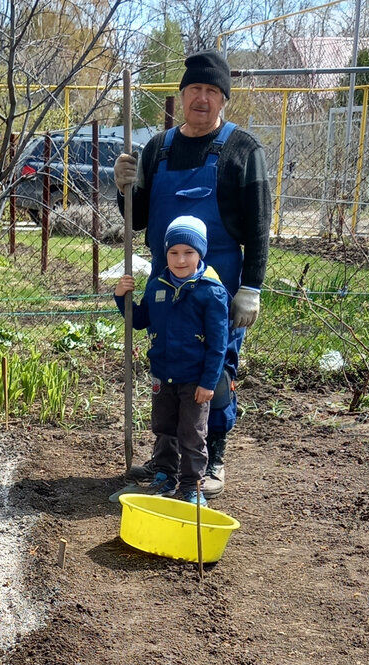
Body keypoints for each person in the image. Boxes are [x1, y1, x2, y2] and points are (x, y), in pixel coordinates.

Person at [115, 49, 271, 497]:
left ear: (224, 100)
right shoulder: (158, 148)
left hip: (215, 291)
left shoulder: (242, 150)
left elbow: (259, 226)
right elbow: (137, 218)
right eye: (194, 90)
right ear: (181, 96)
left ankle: (211, 458)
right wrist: (124, 186)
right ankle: (166, 460)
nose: (201, 98)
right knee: (168, 369)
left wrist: (251, 289)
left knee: (214, 372)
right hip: (165, 287)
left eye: (212, 91)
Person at [113, 215, 229, 505]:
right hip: (162, 375)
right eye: (173, 252)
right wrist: (121, 298)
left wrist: (208, 382)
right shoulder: (157, 286)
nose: (180, 260)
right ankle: (164, 475)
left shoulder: (211, 292)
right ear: (165, 253)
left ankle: (192, 486)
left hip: (194, 380)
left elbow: (218, 344)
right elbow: (139, 320)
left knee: (192, 434)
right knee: (164, 428)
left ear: (200, 252)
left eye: (188, 252)